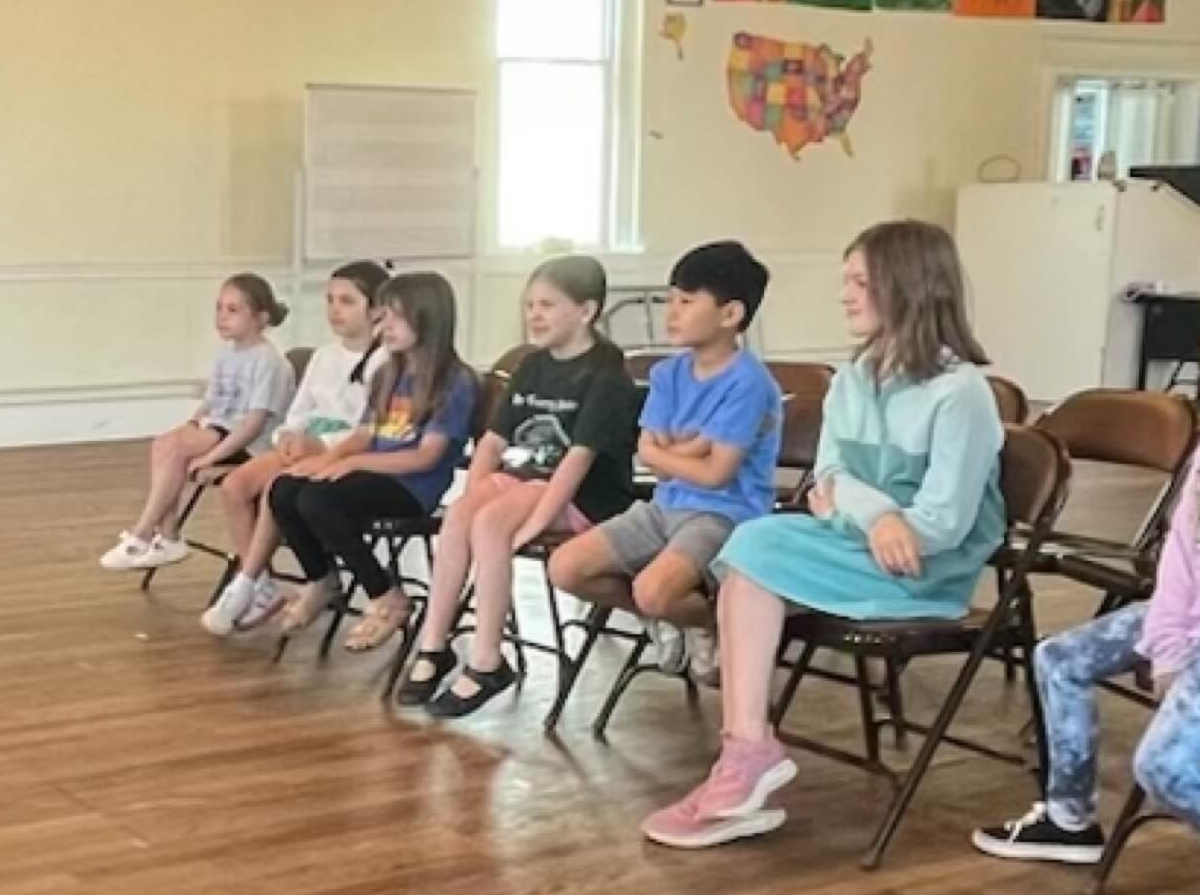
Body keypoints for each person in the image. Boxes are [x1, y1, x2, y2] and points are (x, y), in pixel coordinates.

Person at [643, 220, 1003, 850]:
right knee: (753, 545)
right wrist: (877, 514)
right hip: (862, 543)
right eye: (847, 281)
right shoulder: (856, 377)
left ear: (909, 287)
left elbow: (943, 524)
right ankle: (745, 750)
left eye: (860, 281)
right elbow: (828, 477)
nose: (846, 295)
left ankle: (746, 754)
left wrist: (876, 516)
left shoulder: (960, 393)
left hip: (924, 570)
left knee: (753, 548)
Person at [974, 258, 1200, 895]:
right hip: (1197, 625)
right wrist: (1168, 640)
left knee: (1165, 764)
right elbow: (1182, 554)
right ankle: (1071, 820)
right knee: (1060, 659)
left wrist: (1191, 654)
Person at [401, 255, 638, 717]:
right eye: (529, 304)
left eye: (547, 305)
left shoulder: (606, 375)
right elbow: (493, 440)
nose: (534, 315)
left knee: (491, 524)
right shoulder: (531, 367)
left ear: (586, 312)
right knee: (461, 516)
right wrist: (471, 494)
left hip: (582, 495)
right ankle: (434, 642)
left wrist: (537, 520)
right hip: (525, 478)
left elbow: (577, 461)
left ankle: (487, 659)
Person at [547, 242, 780, 691]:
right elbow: (651, 457)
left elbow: (716, 475)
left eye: (687, 302)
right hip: (663, 506)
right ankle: (670, 615)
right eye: (671, 299)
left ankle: (711, 621)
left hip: (724, 514)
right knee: (566, 568)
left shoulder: (749, 382)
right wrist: (688, 450)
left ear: (730, 314)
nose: (671, 312)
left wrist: (667, 453)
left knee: (653, 590)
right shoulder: (666, 375)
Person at [263, 271, 477, 648]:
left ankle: (385, 597)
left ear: (427, 319)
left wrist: (354, 465)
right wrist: (327, 461)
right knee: (285, 488)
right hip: (377, 472)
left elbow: (426, 457)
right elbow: (364, 435)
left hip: (412, 487)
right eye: (383, 317)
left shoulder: (455, 381)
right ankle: (321, 579)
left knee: (318, 500)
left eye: (397, 317)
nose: (385, 326)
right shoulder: (389, 374)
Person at [200, 261, 391, 636]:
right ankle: (260, 584)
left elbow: (371, 428)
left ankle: (246, 580)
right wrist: (286, 436)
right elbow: (299, 411)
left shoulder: (386, 361)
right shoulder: (324, 356)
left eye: (347, 301)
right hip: (303, 446)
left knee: (276, 489)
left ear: (376, 310)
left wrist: (321, 444)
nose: (335, 309)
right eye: (330, 300)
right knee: (235, 486)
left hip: (343, 454)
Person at [99, 275, 297, 571]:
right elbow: (212, 400)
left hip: (251, 444)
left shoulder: (268, 360)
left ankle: (142, 533)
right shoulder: (226, 352)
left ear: (261, 317)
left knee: (178, 448)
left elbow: (254, 423)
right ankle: (167, 537)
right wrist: (193, 422)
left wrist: (210, 457)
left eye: (233, 310)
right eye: (219, 308)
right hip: (219, 429)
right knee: (165, 443)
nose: (222, 317)